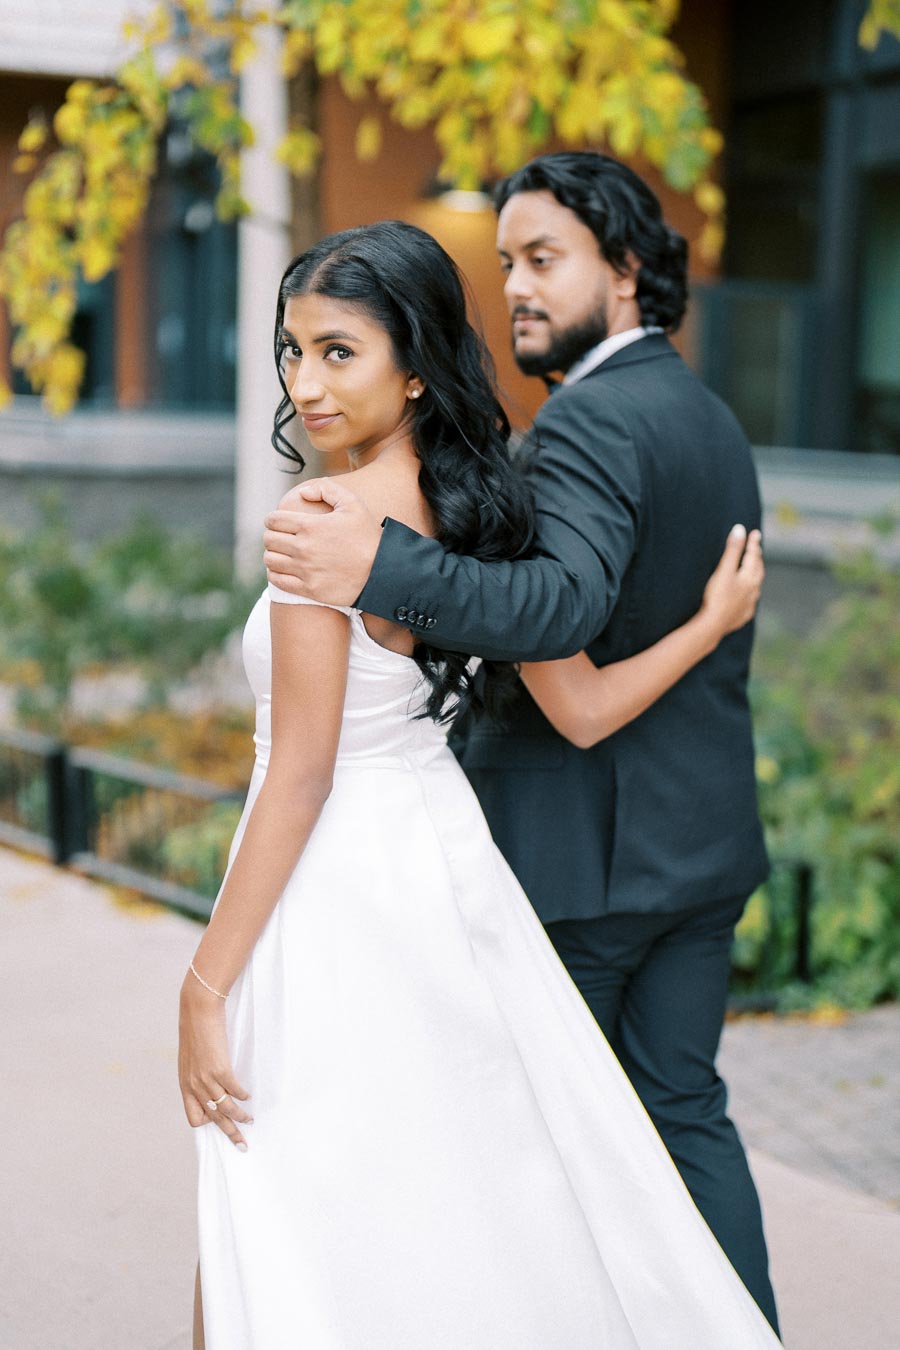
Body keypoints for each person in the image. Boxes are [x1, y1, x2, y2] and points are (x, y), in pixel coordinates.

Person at [181, 220, 779, 1349]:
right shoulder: (488, 511)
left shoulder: (324, 526)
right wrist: (709, 624)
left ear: (413, 364)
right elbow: (586, 704)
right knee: (472, 1185)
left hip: (334, 891)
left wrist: (206, 984)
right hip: (445, 876)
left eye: (338, 351)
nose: (304, 382)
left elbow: (301, 773)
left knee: (279, 1201)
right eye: (292, 349)